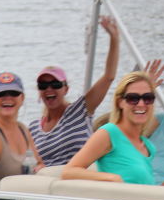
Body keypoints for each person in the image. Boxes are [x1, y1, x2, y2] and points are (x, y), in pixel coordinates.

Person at [29, 16, 120, 167]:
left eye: (55, 84)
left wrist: (114, 39)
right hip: (47, 186)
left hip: (78, 182)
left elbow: (109, 76)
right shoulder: (33, 128)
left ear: (66, 89)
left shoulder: (79, 110)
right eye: (43, 85)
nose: (49, 89)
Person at [61, 72, 156, 185]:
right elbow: (68, 172)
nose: (141, 104)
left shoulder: (149, 147)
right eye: (133, 98)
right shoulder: (109, 133)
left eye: (148, 98)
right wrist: (111, 178)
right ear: (120, 102)